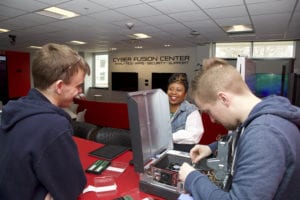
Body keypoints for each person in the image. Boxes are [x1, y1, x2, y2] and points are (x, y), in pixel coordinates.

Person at [178, 57, 300, 199]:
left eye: (209, 111)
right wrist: (211, 147)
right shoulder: (260, 117)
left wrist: (192, 178)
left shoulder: (264, 134)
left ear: (223, 99)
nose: (211, 119)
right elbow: (239, 134)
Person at [0, 43, 90, 200]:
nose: (80, 91)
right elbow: (72, 188)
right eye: (78, 86)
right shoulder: (53, 125)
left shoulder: (12, 111)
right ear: (59, 86)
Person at [167, 73, 204, 152]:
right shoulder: (160, 106)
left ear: (185, 94)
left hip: (180, 153)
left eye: (178, 90)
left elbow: (193, 136)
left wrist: (168, 137)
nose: (173, 92)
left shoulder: (191, 111)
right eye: (171, 89)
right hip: (159, 152)